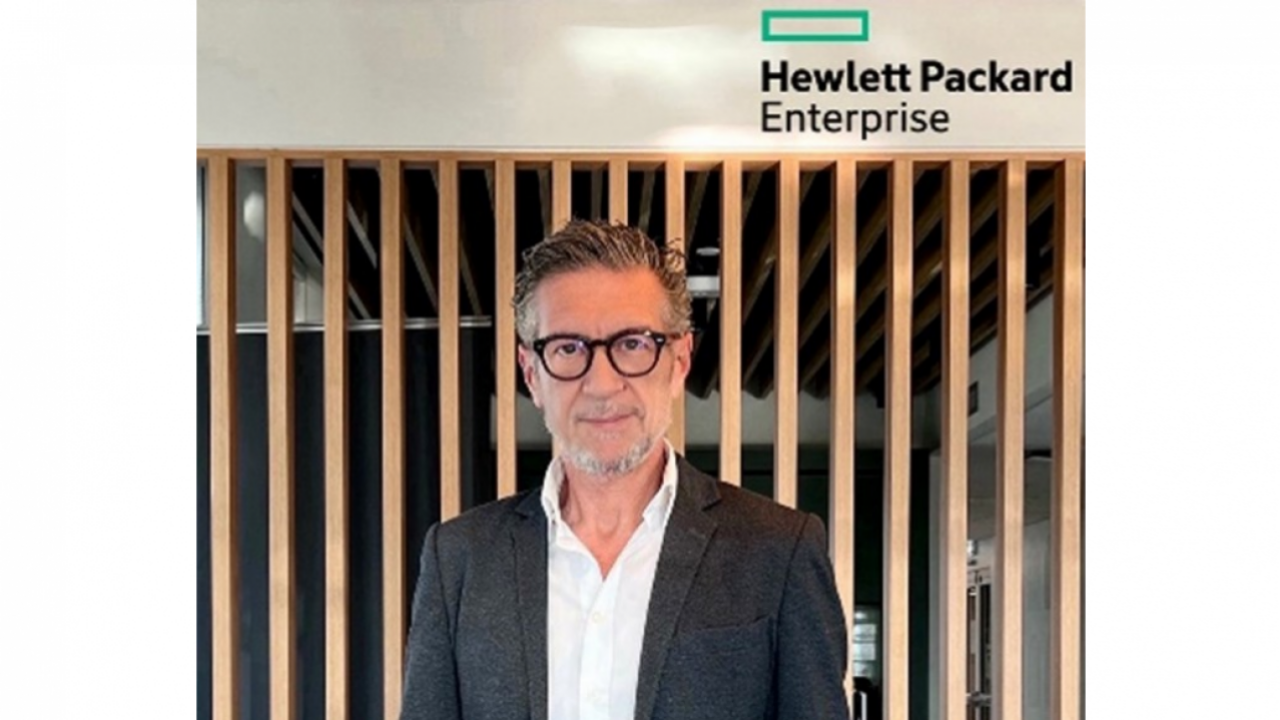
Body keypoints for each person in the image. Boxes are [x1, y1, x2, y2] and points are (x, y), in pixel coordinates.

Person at [399, 220, 850, 720]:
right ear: (531, 373)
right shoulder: (458, 561)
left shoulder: (779, 552)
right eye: (568, 348)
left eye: (633, 344)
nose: (602, 383)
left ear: (680, 360)